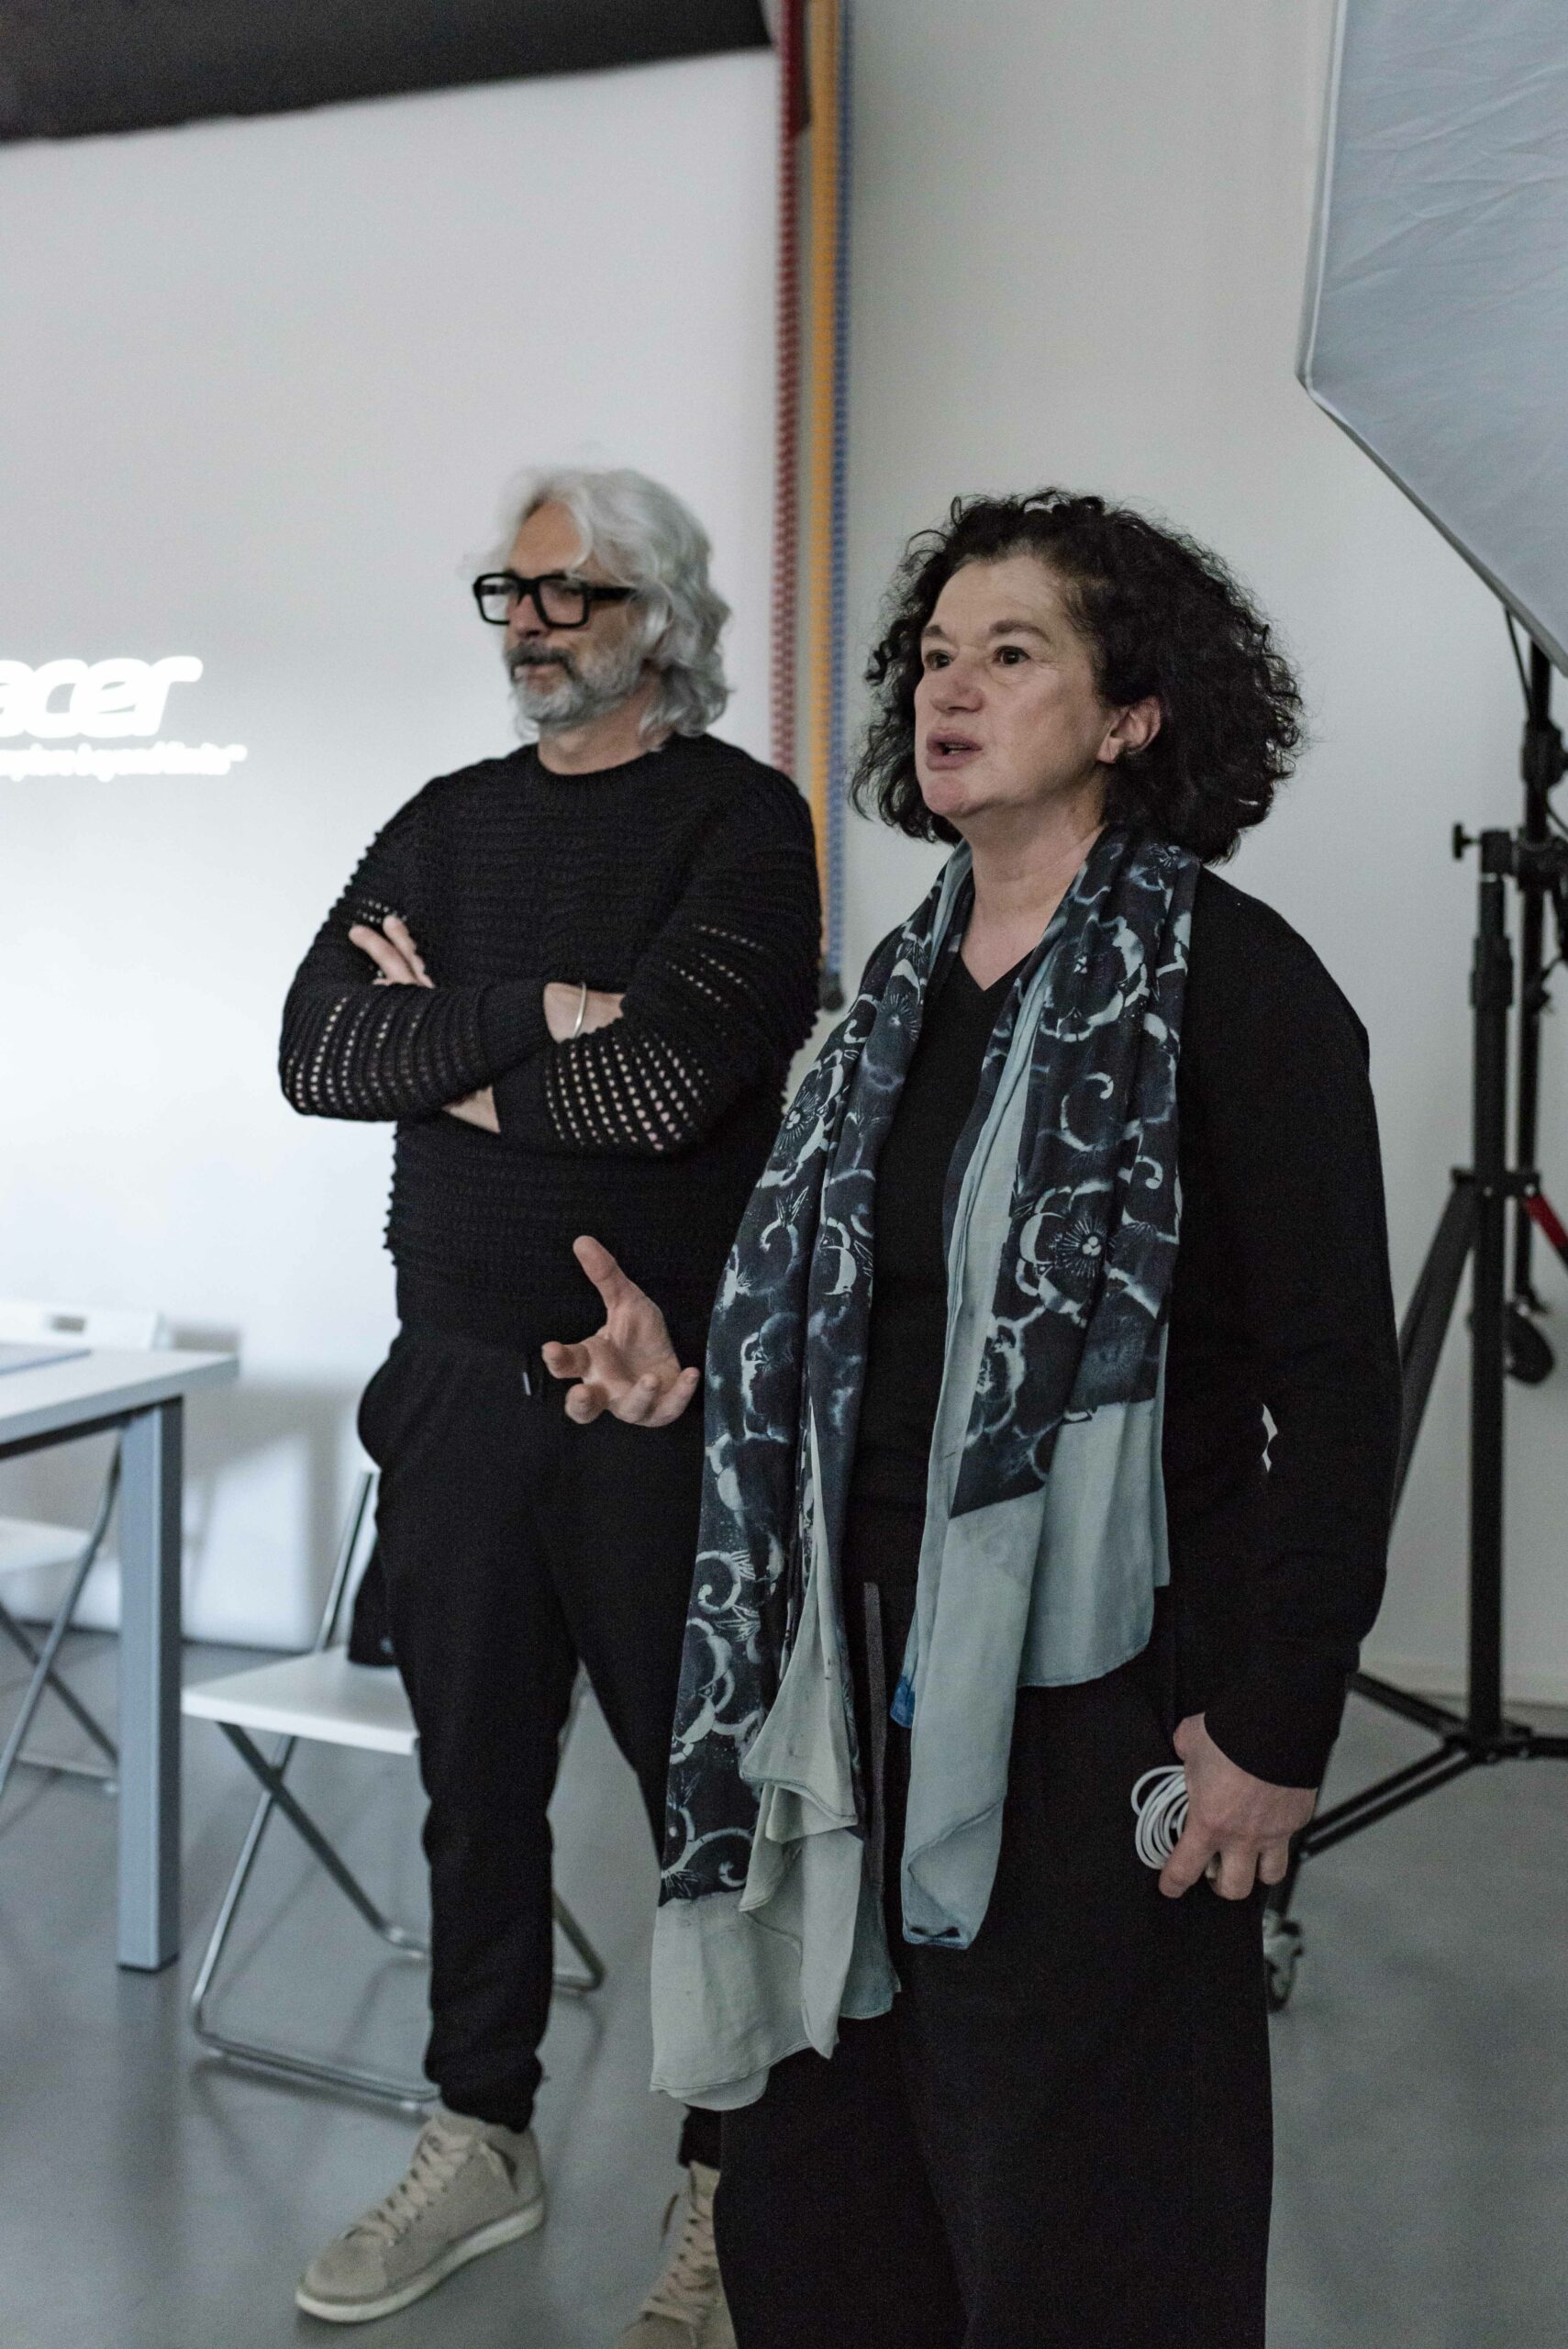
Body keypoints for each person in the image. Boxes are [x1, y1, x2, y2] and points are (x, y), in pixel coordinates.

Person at [542, 490, 1403, 2348]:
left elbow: (1343, 1382)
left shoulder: (1236, 989)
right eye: (935, 655)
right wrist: (683, 1377)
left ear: (1132, 712)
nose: (948, 689)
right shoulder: (886, 1000)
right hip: (832, 1689)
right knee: (831, 2199)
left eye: (1011, 654)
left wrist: (1276, 1721)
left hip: (1103, 1700)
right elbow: (852, 1337)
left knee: (1085, 2209)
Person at [278, 466, 820, 2341]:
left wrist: (452, 1043)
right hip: (452, 1390)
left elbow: (667, 1095)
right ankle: (480, 2130)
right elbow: (315, 1049)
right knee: (474, 1791)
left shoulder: (740, 823)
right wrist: (555, 1008)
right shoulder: (443, 820)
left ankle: (729, 2180)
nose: (529, 621)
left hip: (657, 1405)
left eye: (570, 591)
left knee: (706, 1804)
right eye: (509, 590)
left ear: (661, 616)